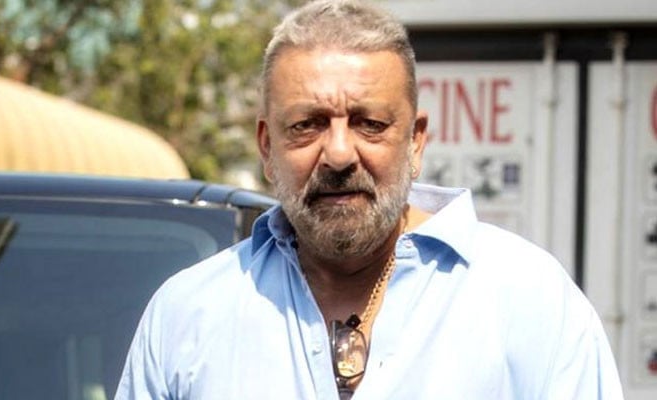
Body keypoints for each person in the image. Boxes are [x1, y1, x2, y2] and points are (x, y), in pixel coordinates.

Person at [114, 1, 624, 399]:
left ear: (416, 142)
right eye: (308, 125)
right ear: (267, 147)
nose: (338, 154)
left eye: (370, 124)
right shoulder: (190, 314)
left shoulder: (528, 301)